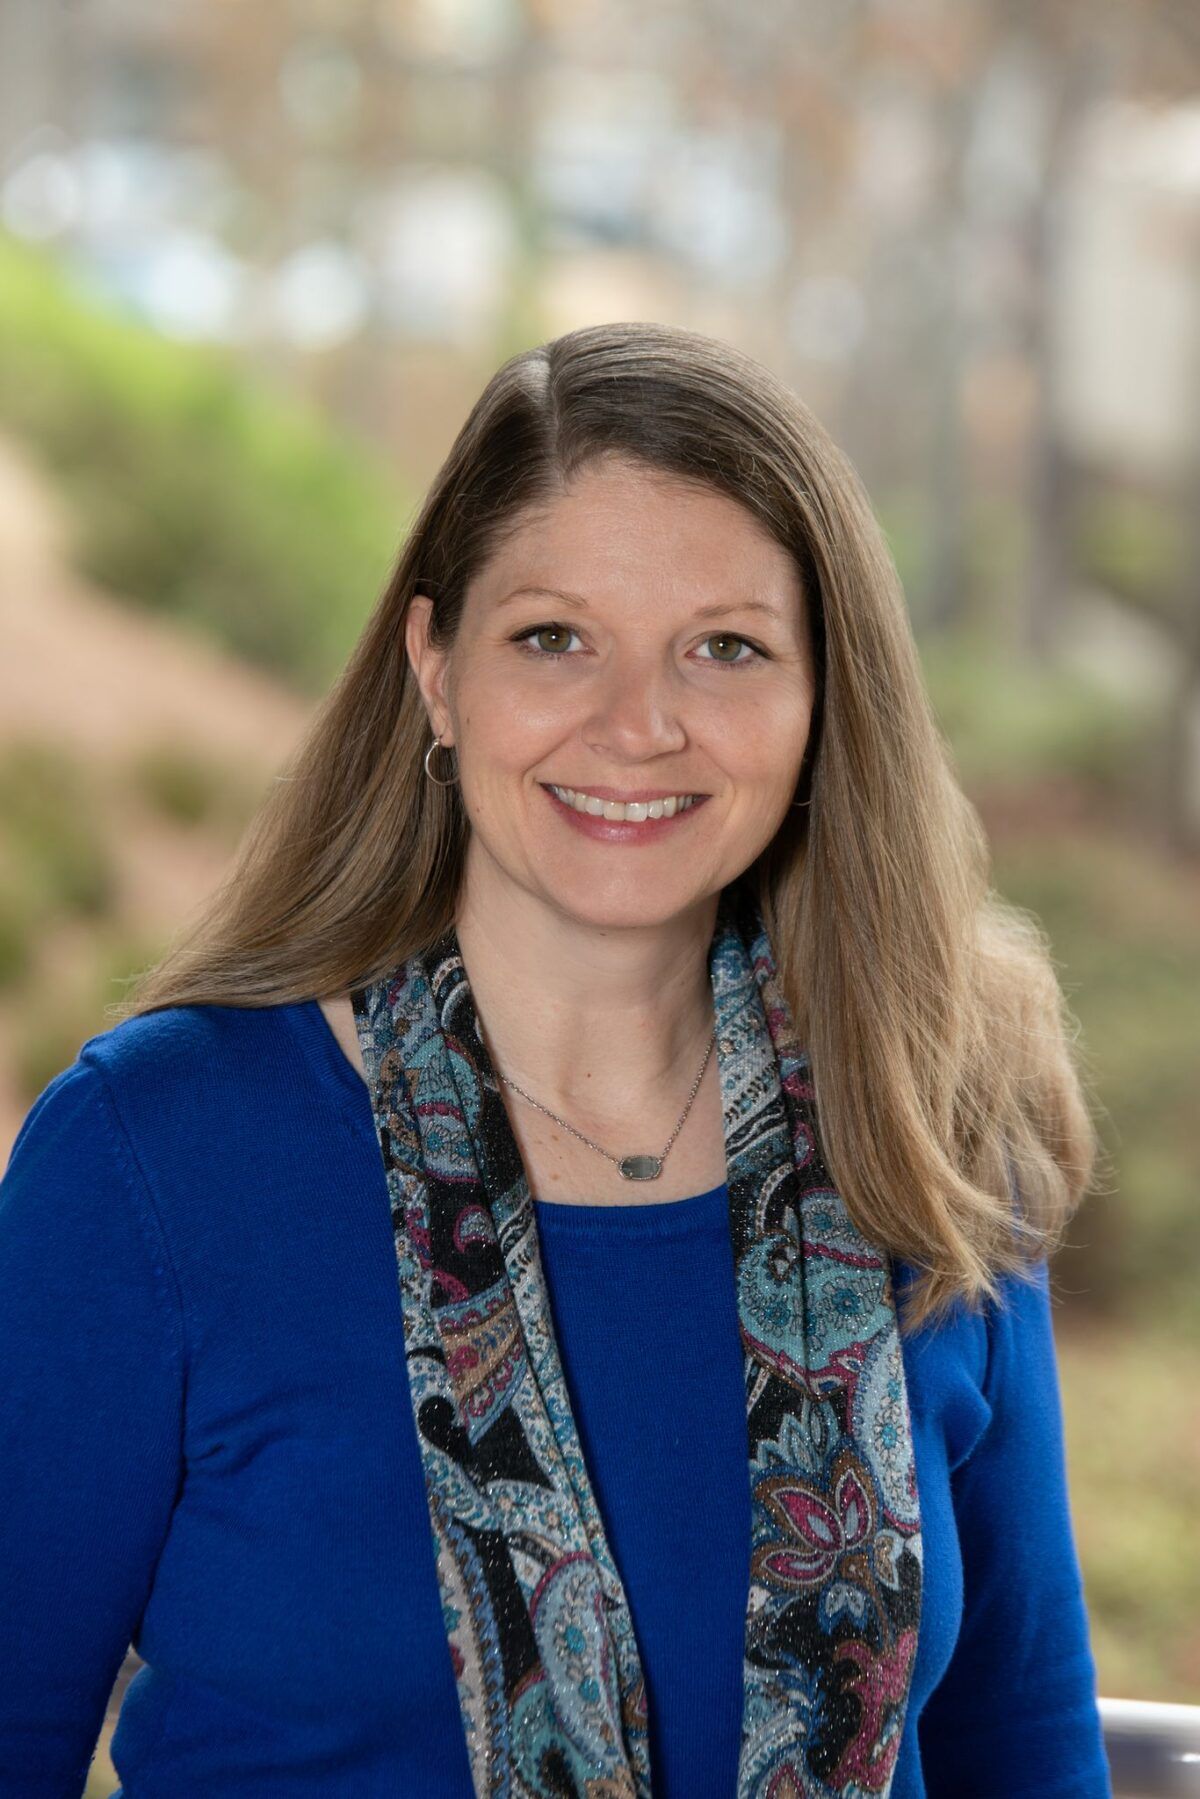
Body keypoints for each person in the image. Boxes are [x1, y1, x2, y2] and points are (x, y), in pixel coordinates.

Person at [0, 321, 1112, 1797]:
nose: (639, 725)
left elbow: (1024, 1754)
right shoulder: (157, 1160)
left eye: (725, 647)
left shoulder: (931, 1130)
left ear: (820, 698)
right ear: (437, 671)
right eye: (553, 638)